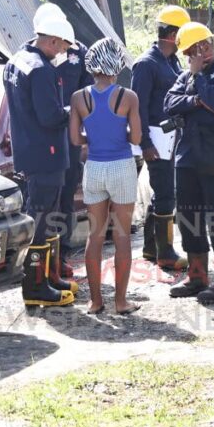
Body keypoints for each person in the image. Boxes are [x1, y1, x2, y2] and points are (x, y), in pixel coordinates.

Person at [3, 4, 79, 308]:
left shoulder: (16, 60)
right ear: (51, 41)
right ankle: (36, 285)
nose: (63, 52)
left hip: (30, 151)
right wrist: (76, 109)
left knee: (46, 218)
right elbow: (50, 116)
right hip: (46, 153)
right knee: (42, 221)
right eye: (62, 46)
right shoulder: (41, 70)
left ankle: (47, 277)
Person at [163, 22, 214, 304]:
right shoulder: (186, 76)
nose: (202, 53)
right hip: (188, 158)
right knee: (189, 219)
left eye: (205, 46)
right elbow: (169, 104)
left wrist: (199, 82)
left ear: (212, 43)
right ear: (186, 53)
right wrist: (199, 100)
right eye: (195, 50)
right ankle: (197, 278)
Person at [69, 38, 142, 315]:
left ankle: (95, 301)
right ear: (117, 64)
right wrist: (118, 134)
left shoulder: (78, 98)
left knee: (95, 236)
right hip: (122, 166)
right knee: (122, 235)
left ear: (92, 65)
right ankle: (121, 302)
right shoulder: (128, 97)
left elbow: (76, 139)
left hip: (94, 168)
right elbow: (136, 137)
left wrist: (96, 136)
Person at [131, 5, 191, 270]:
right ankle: (165, 253)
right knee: (165, 193)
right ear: (173, 33)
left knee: (163, 192)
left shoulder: (172, 61)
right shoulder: (146, 64)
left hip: (170, 138)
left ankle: (150, 247)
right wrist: (144, 143)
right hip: (156, 140)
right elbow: (138, 107)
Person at [56, 39, 93, 271]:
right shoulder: (34, 56)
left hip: (71, 138)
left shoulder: (79, 52)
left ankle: (61, 257)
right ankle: (43, 261)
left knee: (66, 199)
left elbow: (89, 95)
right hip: (45, 137)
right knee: (46, 203)